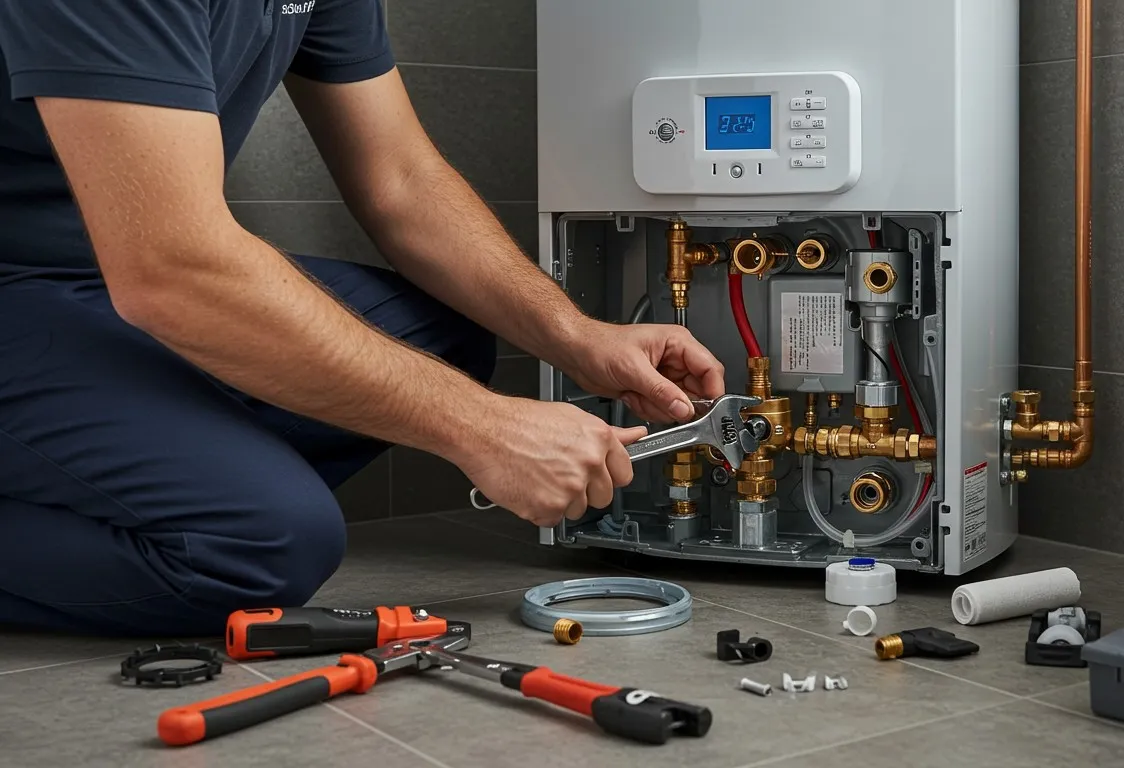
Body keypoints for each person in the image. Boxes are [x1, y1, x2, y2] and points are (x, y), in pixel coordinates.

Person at [0, 1, 726, 637]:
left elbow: (401, 181)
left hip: (116, 277)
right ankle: (212, 508)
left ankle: (162, 475)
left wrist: (577, 337)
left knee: (436, 342)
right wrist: (481, 426)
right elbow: (172, 267)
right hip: (36, 284)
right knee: (262, 547)